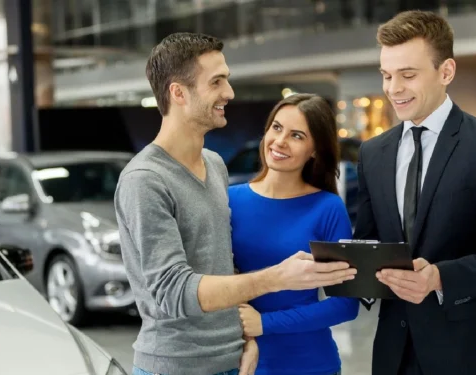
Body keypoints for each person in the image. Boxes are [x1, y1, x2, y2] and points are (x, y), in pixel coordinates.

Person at [114, 33, 357, 375]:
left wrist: (247, 339)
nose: (229, 93)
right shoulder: (145, 179)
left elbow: (225, 269)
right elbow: (173, 291)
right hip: (175, 367)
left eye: (227, 80)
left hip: (234, 362)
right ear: (178, 93)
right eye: (217, 82)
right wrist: (276, 278)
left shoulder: (214, 165)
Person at [353, 11, 476, 375]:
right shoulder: (372, 154)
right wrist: (343, 268)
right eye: (387, 76)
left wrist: (439, 277)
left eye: (408, 75)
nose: (393, 89)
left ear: (446, 72)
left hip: (472, 353)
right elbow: (370, 242)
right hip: (395, 356)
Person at [229, 93, 360, 375]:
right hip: (236, 363)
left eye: (297, 135)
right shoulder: (228, 200)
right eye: (276, 127)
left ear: (315, 150)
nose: (280, 141)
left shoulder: (327, 207)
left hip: (309, 364)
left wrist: (264, 323)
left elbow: (346, 305)